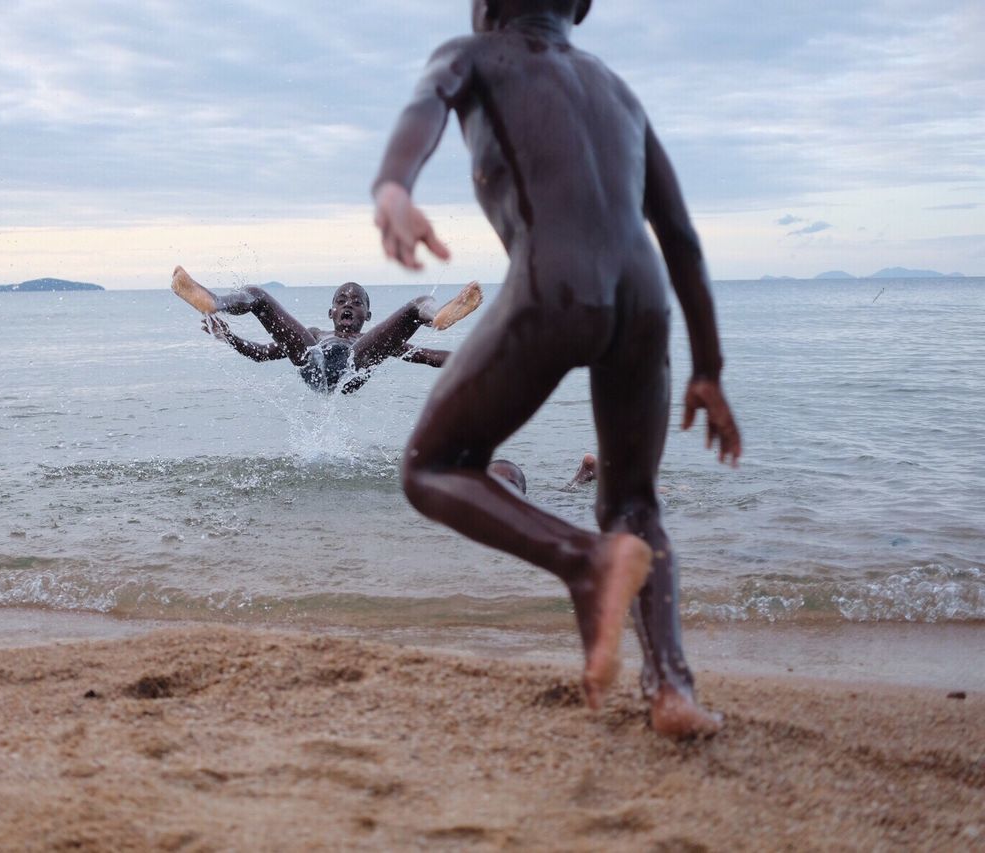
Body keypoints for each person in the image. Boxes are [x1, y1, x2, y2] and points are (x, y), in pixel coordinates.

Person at [372, 0, 741, 737]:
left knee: (431, 465)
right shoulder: (618, 90)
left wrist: (393, 186)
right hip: (645, 300)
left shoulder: (472, 54)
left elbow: (424, 105)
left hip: (555, 282)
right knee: (635, 501)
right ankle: (672, 689)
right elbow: (681, 238)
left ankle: (582, 561)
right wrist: (708, 368)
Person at [171, 266, 482, 394]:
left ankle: (437, 316)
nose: (348, 304)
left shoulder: (370, 343)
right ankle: (215, 302)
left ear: (368, 315)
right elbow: (263, 354)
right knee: (258, 294)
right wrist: (229, 337)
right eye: (341, 300)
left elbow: (429, 357)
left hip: (353, 365)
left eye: (357, 302)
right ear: (331, 311)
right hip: (312, 362)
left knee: (418, 304)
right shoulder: (315, 334)